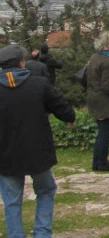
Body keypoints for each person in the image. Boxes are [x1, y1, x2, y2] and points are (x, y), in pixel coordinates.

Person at [0, 44, 75, 238]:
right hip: (37, 151)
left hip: (5, 153)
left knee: (12, 200)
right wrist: (70, 118)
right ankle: (42, 232)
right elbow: (61, 106)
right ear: (22, 63)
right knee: (46, 189)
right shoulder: (39, 84)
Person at [86, 31, 109, 172]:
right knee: (104, 133)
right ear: (108, 45)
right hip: (105, 101)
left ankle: (97, 162)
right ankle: (102, 162)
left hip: (93, 97)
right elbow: (108, 85)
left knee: (101, 131)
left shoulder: (94, 58)